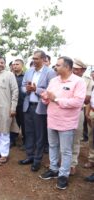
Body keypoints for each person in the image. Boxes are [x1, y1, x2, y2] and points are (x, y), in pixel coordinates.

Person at [39, 56, 86, 190]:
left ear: (67, 67)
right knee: (53, 146)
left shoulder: (78, 82)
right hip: (52, 119)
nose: (55, 67)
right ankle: (53, 169)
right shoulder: (54, 80)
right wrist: (45, 98)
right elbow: (48, 99)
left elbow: (77, 102)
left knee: (65, 150)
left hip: (67, 122)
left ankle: (63, 175)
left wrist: (56, 99)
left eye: (58, 65)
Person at [18, 50, 56, 172]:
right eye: (33, 58)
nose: (34, 61)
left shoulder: (50, 73)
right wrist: (27, 89)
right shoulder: (29, 71)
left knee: (40, 135)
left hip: (40, 108)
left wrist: (36, 90)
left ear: (44, 59)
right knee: (29, 133)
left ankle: (37, 160)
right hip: (28, 106)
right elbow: (23, 87)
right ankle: (29, 156)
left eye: (37, 59)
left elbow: (51, 91)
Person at [70, 58, 93, 175]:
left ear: (83, 70)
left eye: (77, 69)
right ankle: (61, 161)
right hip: (64, 112)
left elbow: (87, 99)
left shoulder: (88, 81)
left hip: (78, 111)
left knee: (75, 138)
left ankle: (72, 164)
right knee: (61, 138)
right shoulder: (66, 77)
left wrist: (71, 96)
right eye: (73, 68)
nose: (74, 70)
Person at [10, 59, 26, 148]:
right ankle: (12, 140)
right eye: (14, 64)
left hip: (23, 104)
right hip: (13, 104)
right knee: (13, 123)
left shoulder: (26, 76)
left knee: (24, 124)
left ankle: (25, 142)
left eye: (17, 64)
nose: (15, 66)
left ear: (22, 66)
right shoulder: (10, 76)